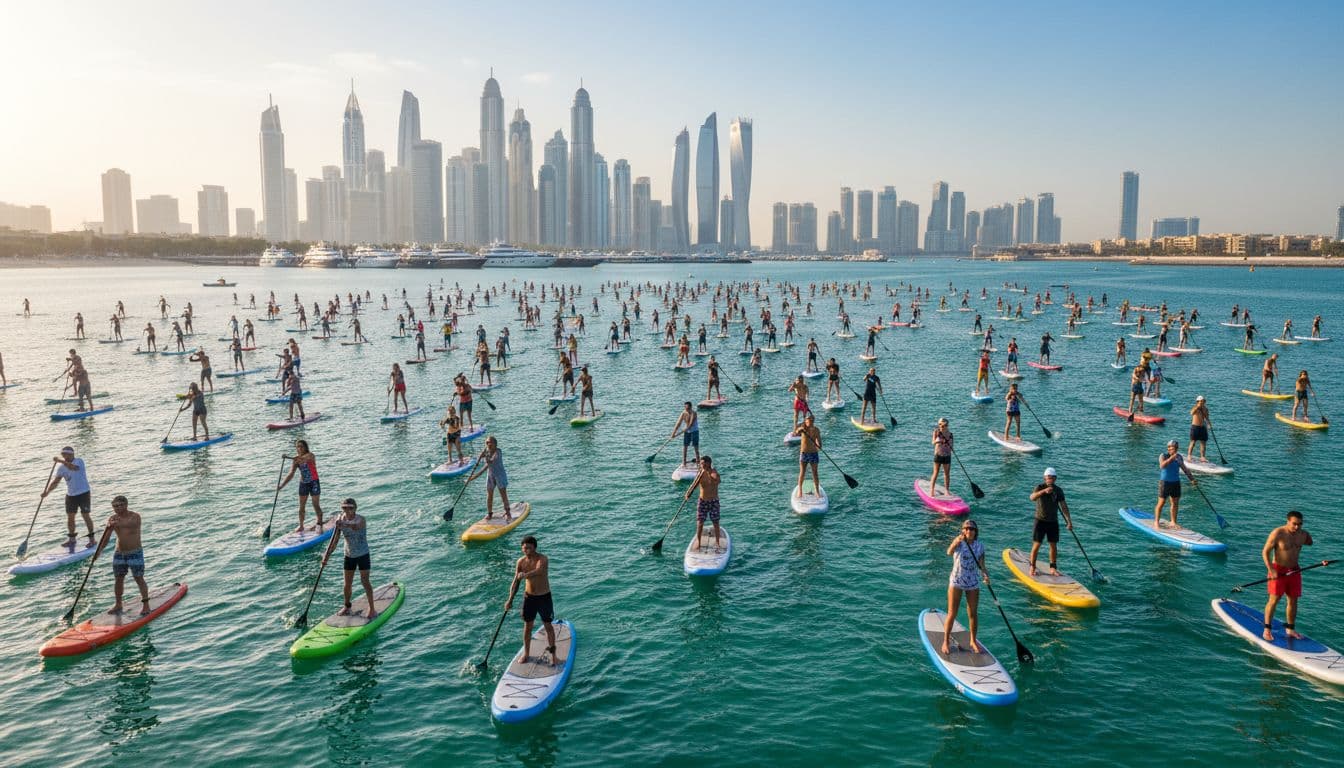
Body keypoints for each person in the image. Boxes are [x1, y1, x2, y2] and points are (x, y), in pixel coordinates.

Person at [92, 495, 150, 615]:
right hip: (119, 553)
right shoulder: (113, 519)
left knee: (138, 578)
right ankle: (118, 604)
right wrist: (98, 552)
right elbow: (106, 538)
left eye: (119, 506)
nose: (117, 508)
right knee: (118, 578)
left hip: (135, 553)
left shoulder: (135, 517)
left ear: (126, 505)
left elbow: (129, 525)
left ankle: (146, 605)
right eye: (114, 506)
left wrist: (113, 525)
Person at [1260, 511, 1313, 641]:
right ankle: (1267, 629)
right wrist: (1271, 570)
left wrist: (1304, 538)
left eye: (1300, 524)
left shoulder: (1303, 534)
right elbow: (1265, 552)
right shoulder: (1277, 533)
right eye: (1294, 524)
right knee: (1274, 600)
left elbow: (1310, 542)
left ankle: (1290, 629)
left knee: (1293, 600)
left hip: (1294, 570)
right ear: (1287, 521)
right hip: (1278, 570)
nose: (1297, 527)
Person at [505, 535, 557, 665]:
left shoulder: (543, 559)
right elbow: (515, 582)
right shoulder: (521, 562)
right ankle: (526, 654)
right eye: (523, 548)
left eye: (528, 548)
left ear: (534, 547)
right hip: (529, 598)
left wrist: (525, 575)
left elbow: (539, 571)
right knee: (527, 627)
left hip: (544, 597)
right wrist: (510, 599)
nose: (525, 550)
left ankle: (553, 655)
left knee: (548, 626)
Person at [323, 498, 377, 619]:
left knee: (365, 581)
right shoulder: (339, 521)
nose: (347, 510)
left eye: (350, 508)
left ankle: (372, 609)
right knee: (347, 584)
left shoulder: (361, 519)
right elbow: (335, 540)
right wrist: (326, 556)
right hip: (349, 555)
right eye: (344, 508)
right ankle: (347, 607)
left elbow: (356, 527)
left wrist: (342, 524)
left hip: (363, 554)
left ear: (355, 508)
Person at [941, 519, 987, 655]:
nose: (969, 531)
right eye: (966, 528)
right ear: (963, 530)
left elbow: (982, 565)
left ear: (975, 531)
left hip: (972, 582)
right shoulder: (959, 542)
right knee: (952, 612)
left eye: (971, 529)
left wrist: (985, 575)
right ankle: (946, 641)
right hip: (956, 581)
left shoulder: (980, 546)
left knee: (973, 613)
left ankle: (973, 640)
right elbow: (949, 552)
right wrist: (955, 543)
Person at [43, 446, 95, 549]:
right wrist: (47, 492)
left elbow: (73, 468)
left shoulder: (79, 461)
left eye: (66, 455)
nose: (64, 456)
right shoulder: (61, 468)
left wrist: (59, 461)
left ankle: (92, 539)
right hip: (71, 495)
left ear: (72, 454)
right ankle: (72, 539)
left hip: (84, 493)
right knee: (70, 518)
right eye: (63, 455)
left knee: (85, 515)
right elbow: (56, 482)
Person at [1028, 468, 1073, 577]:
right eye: (1048, 477)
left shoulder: (1058, 490)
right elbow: (1032, 497)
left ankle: (1053, 568)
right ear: (1045, 478)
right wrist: (1043, 491)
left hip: (1053, 521)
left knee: (1053, 545)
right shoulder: (1040, 487)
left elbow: (1064, 506)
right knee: (1037, 544)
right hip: (1040, 521)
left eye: (1052, 477)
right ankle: (1032, 566)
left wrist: (1069, 521)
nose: (1050, 479)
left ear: (1055, 478)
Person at [277, 440, 323, 532]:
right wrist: (281, 486)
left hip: (314, 483)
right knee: (301, 506)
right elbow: (291, 474)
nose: (299, 448)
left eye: (301, 446)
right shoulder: (296, 461)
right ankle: (301, 526)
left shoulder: (310, 455)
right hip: (303, 484)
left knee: (315, 504)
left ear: (305, 447)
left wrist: (288, 457)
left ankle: (319, 523)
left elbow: (303, 459)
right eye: (298, 447)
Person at [466, 436, 512, 520]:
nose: (488, 444)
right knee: (489, 494)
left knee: (503, 494)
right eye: (487, 442)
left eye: (490, 442)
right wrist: (477, 463)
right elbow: (481, 456)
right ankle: (490, 514)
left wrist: (474, 476)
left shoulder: (498, 452)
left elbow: (490, 462)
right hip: (491, 475)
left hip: (500, 475)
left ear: (495, 444)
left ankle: (508, 513)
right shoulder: (487, 450)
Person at [1155, 439, 1197, 528]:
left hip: (1176, 483)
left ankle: (1173, 522)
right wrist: (1171, 458)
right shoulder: (1163, 456)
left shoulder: (1179, 457)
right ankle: (1156, 522)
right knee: (1161, 503)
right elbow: (1162, 466)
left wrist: (1192, 479)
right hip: (1165, 483)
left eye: (1173, 447)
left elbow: (1185, 469)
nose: (1171, 449)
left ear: (1176, 448)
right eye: (1169, 447)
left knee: (1175, 503)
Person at [685, 455, 722, 549]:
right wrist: (688, 493)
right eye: (701, 463)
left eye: (703, 463)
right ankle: (698, 541)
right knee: (700, 523)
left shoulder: (714, 472)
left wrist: (711, 474)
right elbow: (694, 484)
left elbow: (717, 481)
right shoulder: (700, 473)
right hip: (702, 501)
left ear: (709, 463)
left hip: (714, 501)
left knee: (716, 522)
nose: (701, 465)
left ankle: (717, 542)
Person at [793, 413, 822, 498]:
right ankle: (800, 490)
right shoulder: (803, 429)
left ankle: (817, 491)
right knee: (802, 472)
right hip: (804, 453)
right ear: (806, 421)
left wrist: (819, 447)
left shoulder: (816, 430)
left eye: (812, 420)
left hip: (813, 453)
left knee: (815, 473)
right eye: (809, 420)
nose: (811, 422)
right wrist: (799, 430)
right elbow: (796, 432)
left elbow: (819, 442)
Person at [929, 418, 954, 493]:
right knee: (935, 473)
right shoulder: (936, 432)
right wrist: (938, 441)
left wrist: (951, 448)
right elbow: (933, 442)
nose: (941, 426)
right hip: (938, 455)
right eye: (940, 424)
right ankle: (931, 490)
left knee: (947, 474)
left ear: (947, 425)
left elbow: (952, 445)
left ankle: (947, 490)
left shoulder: (951, 434)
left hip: (947, 456)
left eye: (944, 425)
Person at [1188, 396, 1212, 462]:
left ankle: (1202, 457)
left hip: (1203, 427)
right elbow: (1191, 413)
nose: (1202, 402)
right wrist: (1197, 407)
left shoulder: (1205, 409)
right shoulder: (1195, 408)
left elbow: (1207, 418)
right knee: (1193, 442)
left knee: (1203, 443)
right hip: (1195, 427)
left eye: (1203, 401)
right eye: (1200, 401)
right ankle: (1189, 455)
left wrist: (1209, 424)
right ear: (1197, 402)